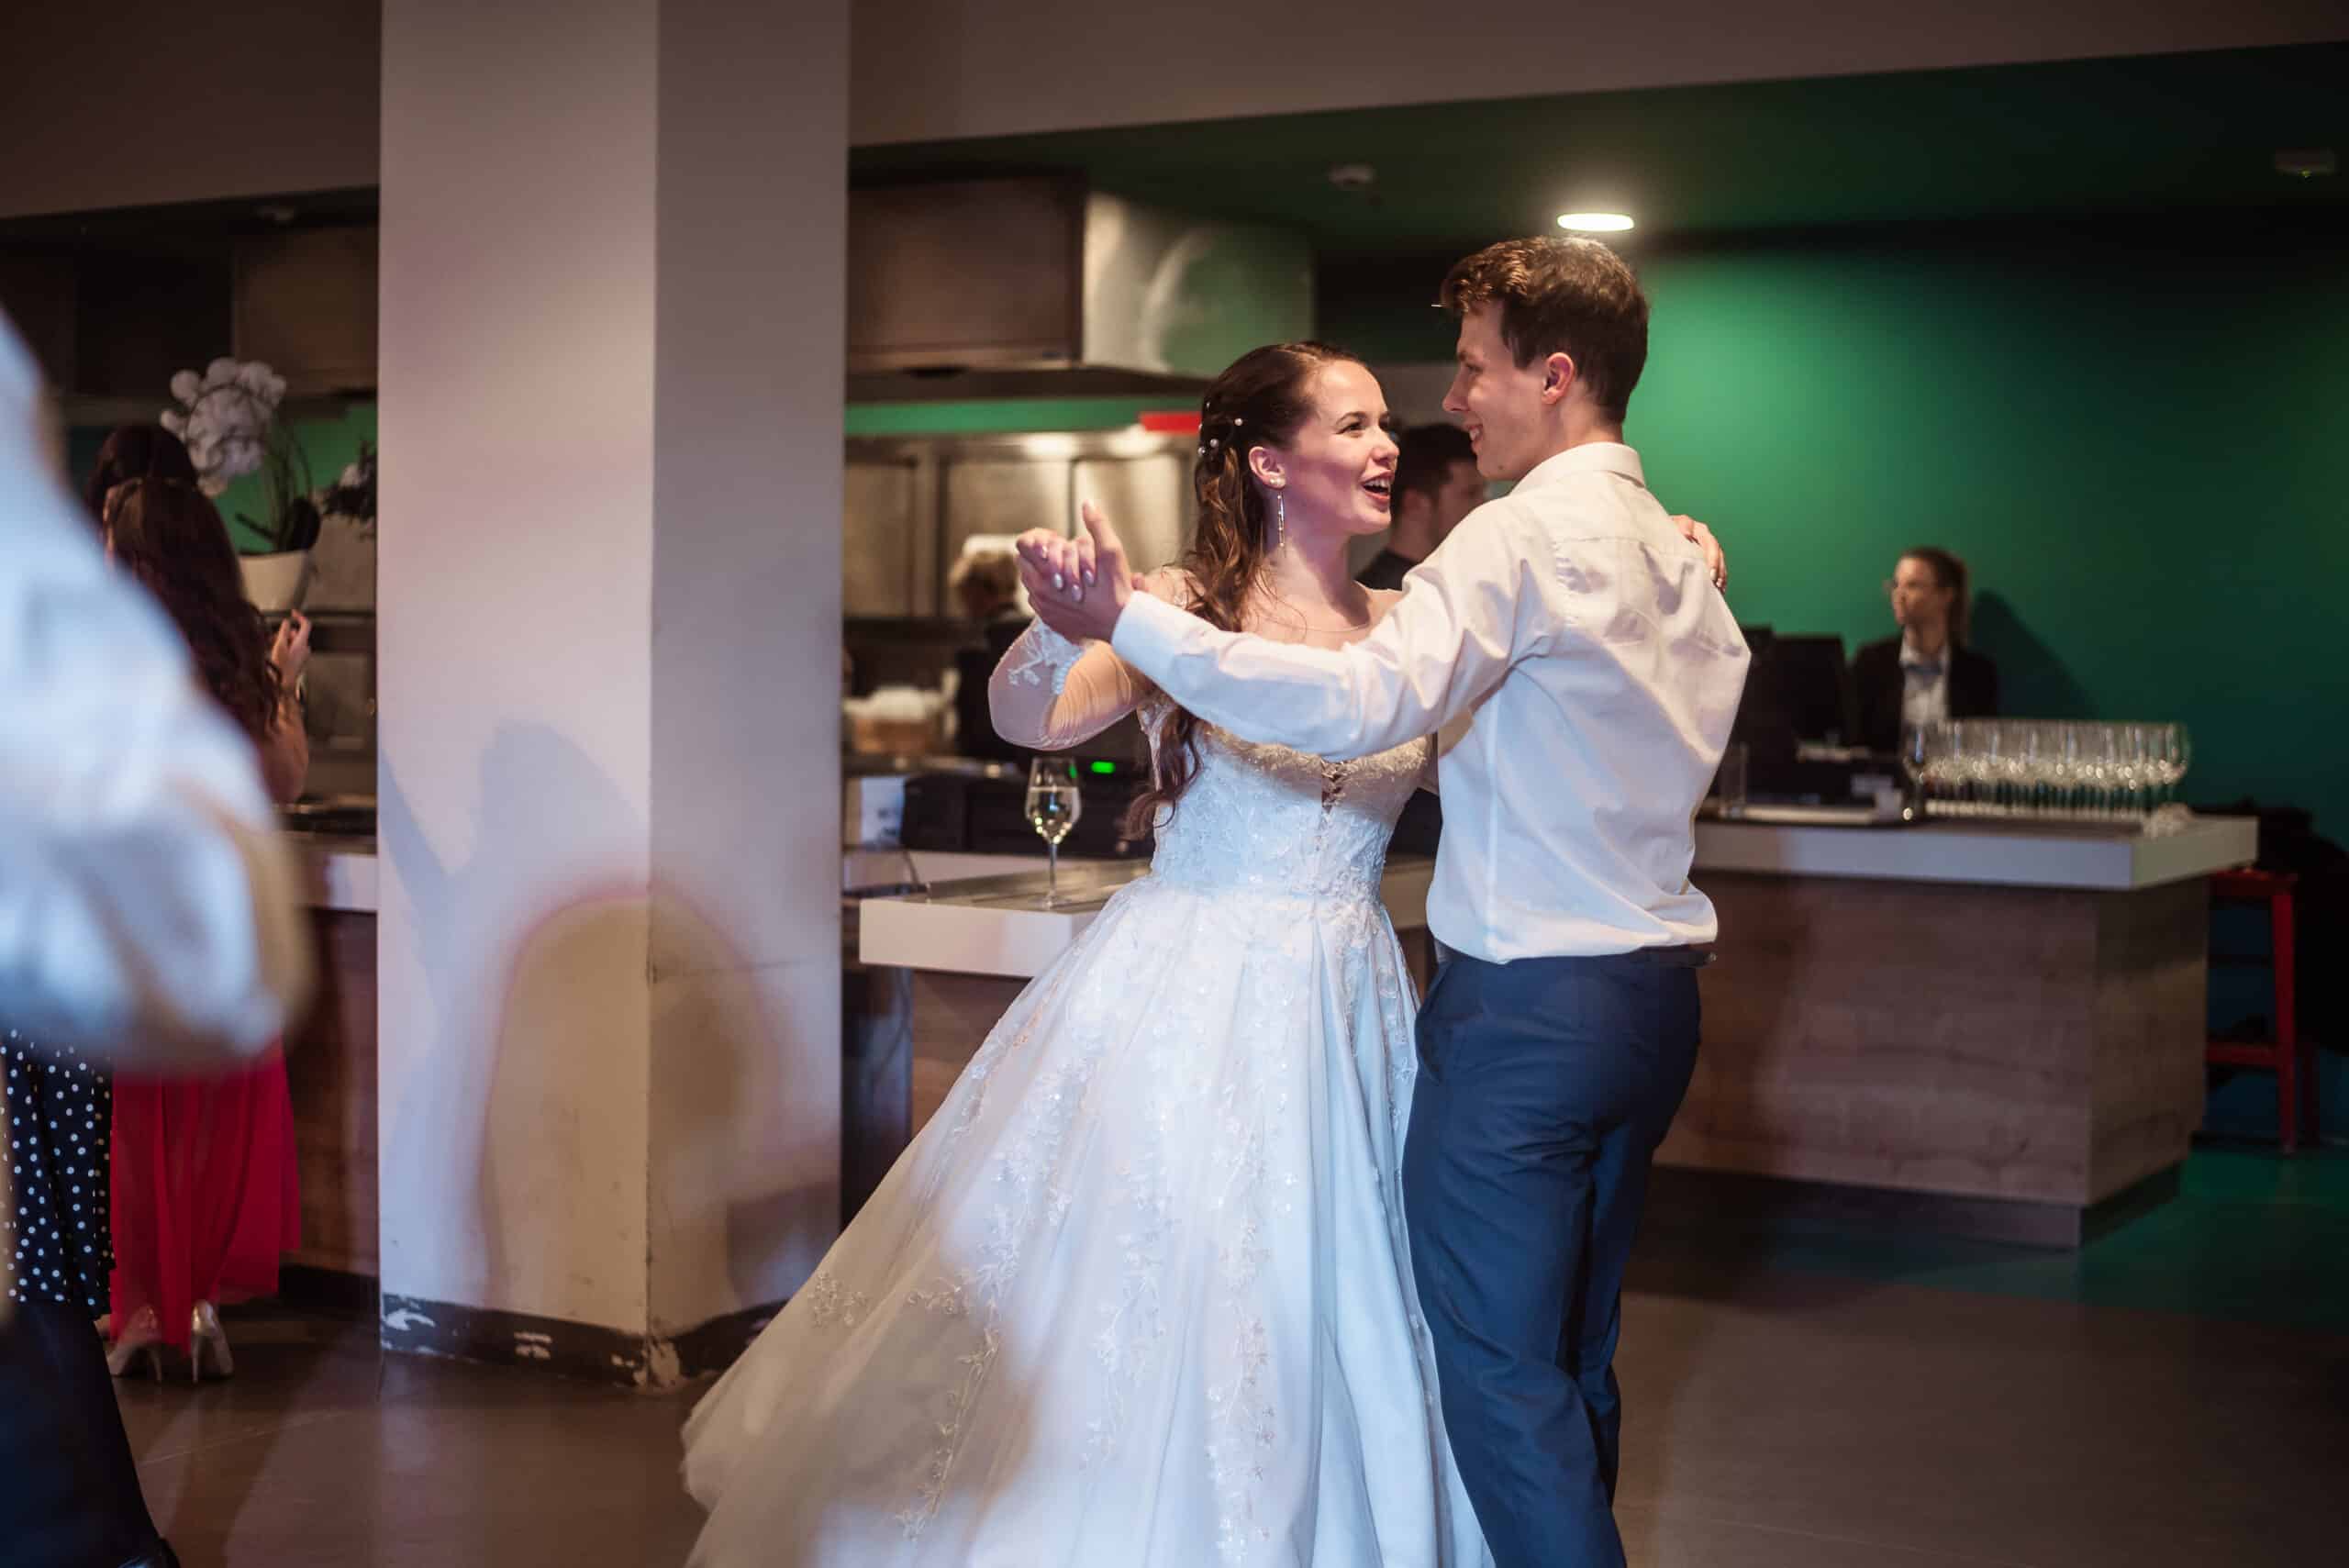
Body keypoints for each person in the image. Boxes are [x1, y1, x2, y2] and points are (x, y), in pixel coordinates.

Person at [684, 342, 1497, 1566]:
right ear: (1271, 463)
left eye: (1386, 423)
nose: (1388, 446)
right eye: (1355, 424)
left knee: (1340, 1285)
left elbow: (1500, 768)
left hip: (1350, 994)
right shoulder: (1180, 605)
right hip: (1191, 983)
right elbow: (1034, 718)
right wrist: (1065, 628)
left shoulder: (1406, 627)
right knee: (1177, 1271)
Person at [1023, 236, 1744, 1568]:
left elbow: (1360, 703)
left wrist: (1137, 621)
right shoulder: (1674, 554)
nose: (1444, 409)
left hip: (1513, 1018)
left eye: (1471, 368)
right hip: (1645, 1008)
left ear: (1554, 374)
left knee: (1501, 1375)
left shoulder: (1506, 544)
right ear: (1264, 462)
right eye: (1356, 420)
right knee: (1566, 1354)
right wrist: (1110, 622)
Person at [1, 317, 307, 1568]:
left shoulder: (86, 656)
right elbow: (268, 793)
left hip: (69, 999)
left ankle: (116, 1538)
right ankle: (115, 1534)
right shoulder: (163, 651)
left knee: (47, 1282)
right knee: (50, 1283)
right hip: (108, 998)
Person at [95, 478, 308, 1384]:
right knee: (210, 1116)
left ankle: (149, 1311)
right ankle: (196, 1305)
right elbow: (283, 781)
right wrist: (283, 680)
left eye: (112, 546)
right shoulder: (233, 663)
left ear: (144, 564)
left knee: (140, 1123)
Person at [1360, 423, 1483, 853]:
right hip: (1411, 840)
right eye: (1469, 495)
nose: (1482, 509)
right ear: (1415, 503)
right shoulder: (1378, 601)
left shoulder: (1467, 588)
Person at [1853, 546, 1998, 754]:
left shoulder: (1978, 673)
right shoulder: (1870, 663)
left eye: (1912, 585)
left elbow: (1981, 752)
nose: (1899, 594)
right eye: (1895, 585)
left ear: (1946, 595)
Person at [1356, 421, 1484, 591]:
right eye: (1470, 494)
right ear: (1415, 504)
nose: (1482, 505)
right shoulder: (1384, 597)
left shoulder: (1438, 582)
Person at [945, 547, 1031, 762]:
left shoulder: (982, 642)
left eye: (964, 595)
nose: (964, 607)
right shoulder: (1035, 632)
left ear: (979, 591)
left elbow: (974, 725)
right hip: (1029, 761)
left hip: (987, 764)